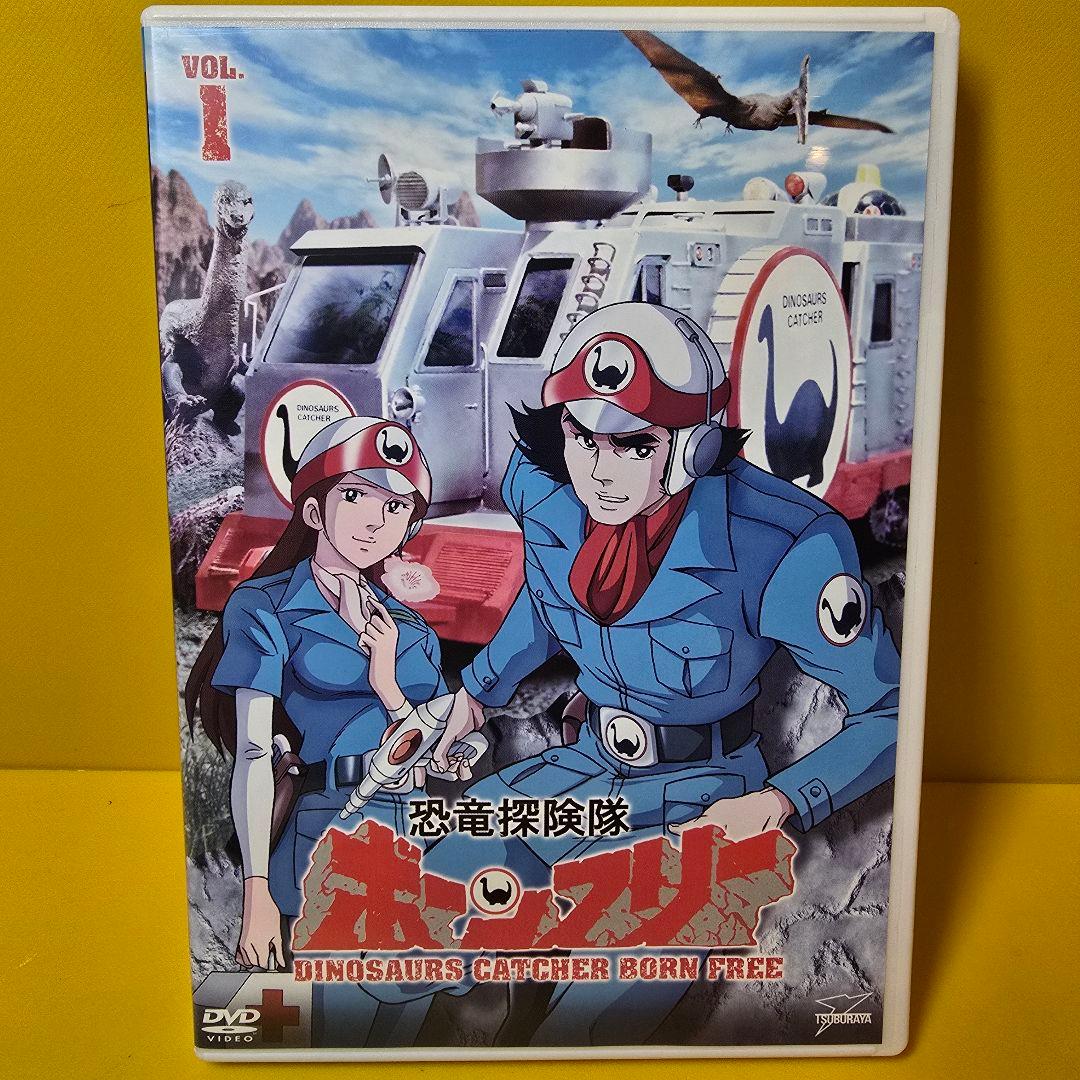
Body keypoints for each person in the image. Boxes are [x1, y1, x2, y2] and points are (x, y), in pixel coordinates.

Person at [427, 301, 901, 1045]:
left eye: (632, 445)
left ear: (694, 448)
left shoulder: (782, 542)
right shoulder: (544, 490)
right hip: (580, 774)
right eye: (582, 437)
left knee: (595, 1029)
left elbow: (890, 712)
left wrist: (778, 802)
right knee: (424, 917)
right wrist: (475, 693)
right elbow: (547, 599)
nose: (598, 469)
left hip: (704, 803)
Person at [185, 414, 448, 1045]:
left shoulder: (411, 632)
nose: (375, 520)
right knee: (329, 1015)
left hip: (415, 826)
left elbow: (438, 739)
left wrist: (389, 684)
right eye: (355, 496)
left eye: (395, 506)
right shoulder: (268, 606)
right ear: (313, 511)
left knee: (411, 1008)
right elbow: (254, 753)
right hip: (324, 821)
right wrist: (256, 893)